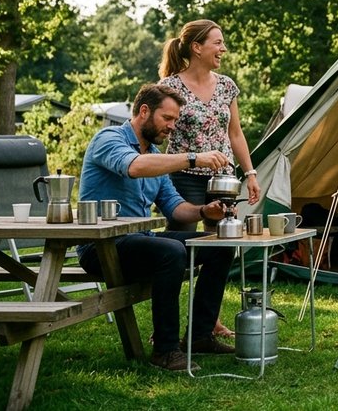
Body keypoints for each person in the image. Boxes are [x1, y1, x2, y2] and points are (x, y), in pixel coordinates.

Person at [77, 84, 236, 372]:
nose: (172, 127)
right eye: (168, 118)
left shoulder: (155, 155)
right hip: (100, 246)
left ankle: (199, 336)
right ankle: (165, 350)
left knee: (219, 244)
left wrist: (204, 210)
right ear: (144, 111)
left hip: (139, 242)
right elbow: (134, 167)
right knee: (171, 250)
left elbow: (175, 207)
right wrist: (192, 157)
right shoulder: (109, 139)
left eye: (175, 120)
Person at [159, 19, 260, 338]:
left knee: (222, 249)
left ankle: (206, 322)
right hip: (182, 179)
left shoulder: (227, 85)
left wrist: (251, 173)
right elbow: (160, 133)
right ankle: (167, 327)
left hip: (223, 181)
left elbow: (235, 133)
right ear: (196, 47)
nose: (223, 48)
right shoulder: (170, 87)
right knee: (179, 254)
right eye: (217, 43)